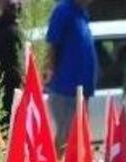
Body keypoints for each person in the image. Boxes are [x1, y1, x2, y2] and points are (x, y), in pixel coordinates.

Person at [45, 0, 96, 150]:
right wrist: (50, 69)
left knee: (80, 138)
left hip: (82, 91)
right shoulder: (63, 10)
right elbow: (52, 44)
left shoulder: (82, 12)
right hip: (65, 89)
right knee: (66, 137)